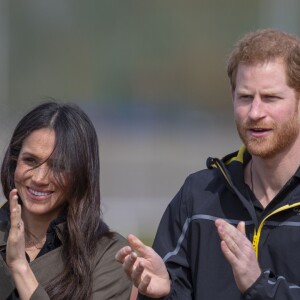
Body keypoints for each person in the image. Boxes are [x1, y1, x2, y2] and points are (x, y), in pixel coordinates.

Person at [116, 28, 300, 299]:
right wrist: (163, 292)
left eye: (271, 98)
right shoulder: (199, 196)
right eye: (246, 97)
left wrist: (258, 286)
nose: (256, 112)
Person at [0, 101, 132, 300]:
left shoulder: (108, 255)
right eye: (30, 160)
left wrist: (20, 267)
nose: (39, 178)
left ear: (81, 175)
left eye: (58, 166)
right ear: (13, 162)